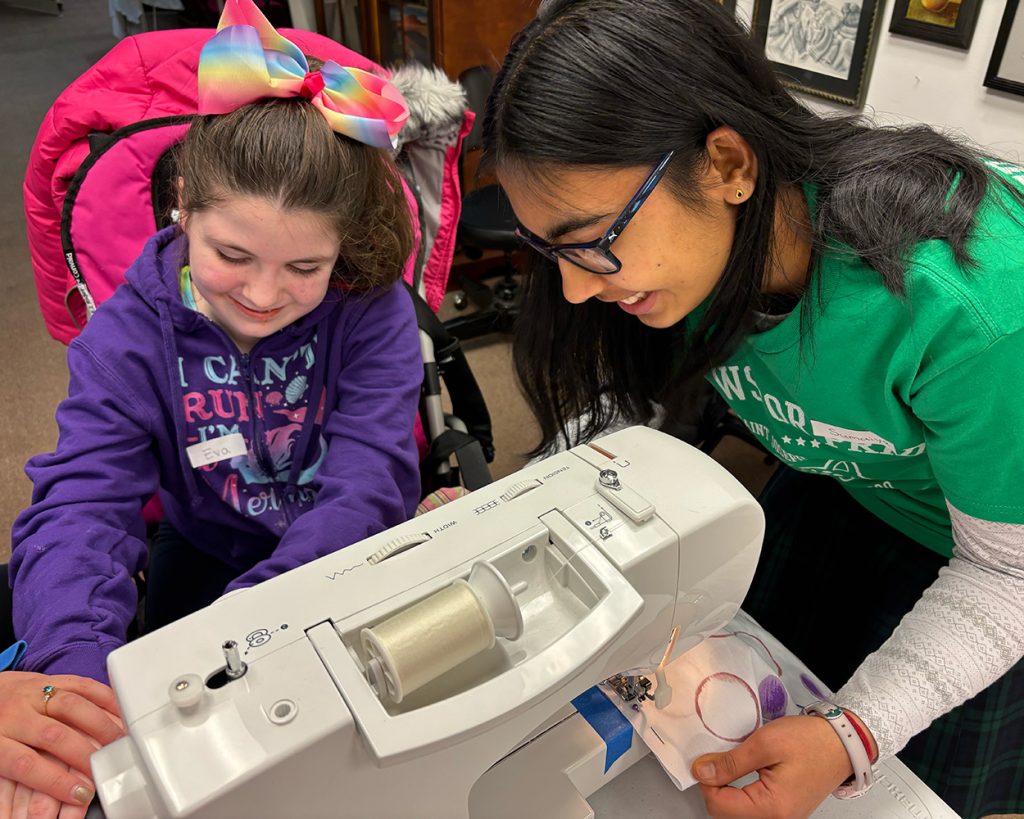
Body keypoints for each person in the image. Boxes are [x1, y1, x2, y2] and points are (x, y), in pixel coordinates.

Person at [482, 0, 1024, 816]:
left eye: (593, 239)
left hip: (987, 558)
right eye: (549, 248)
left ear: (729, 164)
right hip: (844, 483)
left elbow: (1006, 571)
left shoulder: (963, 308)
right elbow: (620, 410)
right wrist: (509, 511)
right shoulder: (678, 257)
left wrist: (855, 734)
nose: (575, 286)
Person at [2, 1, 423, 814]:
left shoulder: (371, 305)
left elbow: (368, 483)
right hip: (204, 548)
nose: (265, 295)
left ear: (345, 244)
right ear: (184, 202)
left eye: (305, 266)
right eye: (232, 255)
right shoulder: (127, 332)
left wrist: (254, 624)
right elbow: (83, 501)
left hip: (342, 555)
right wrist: (72, 673)